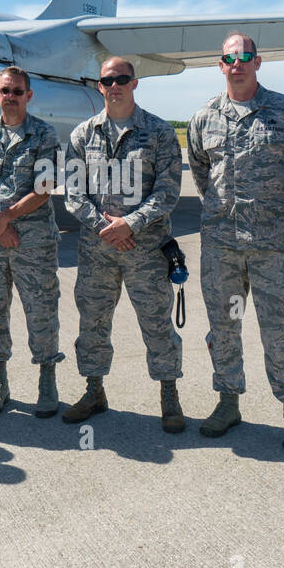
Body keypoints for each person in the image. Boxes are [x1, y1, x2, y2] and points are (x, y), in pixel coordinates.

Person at [187, 32, 284, 450]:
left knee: (280, 328)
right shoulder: (204, 117)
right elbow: (202, 175)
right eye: (230, 58)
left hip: (274, 247)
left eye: (245, 56)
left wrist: (275, 216)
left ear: (258, 62)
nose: (238, 63)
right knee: (224, 326)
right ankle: (228, 401)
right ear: (220, 65)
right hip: (222, 247)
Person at [62, 56, 185, 432]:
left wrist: (130, 224)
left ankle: (169, 394)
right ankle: (94, 389)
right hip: (97, 251)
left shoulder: (160, 133)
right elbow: (72, 193)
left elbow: (168, 190)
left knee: (156, 322)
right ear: (99, 86)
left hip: (145, 251)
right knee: (93, 321)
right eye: (107, 80)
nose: (114, 85)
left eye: (122, 79)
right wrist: (106, 227)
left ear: (134, 83)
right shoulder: (83, 135)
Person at [0, 66, 64, 417]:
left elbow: (45, 188)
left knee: (41, 310)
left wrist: (5, 218)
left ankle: (47, 380)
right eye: (5, 90)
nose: (11, 97)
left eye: (17, 91)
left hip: (32, 240)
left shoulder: (44, 134)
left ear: (28, 96)